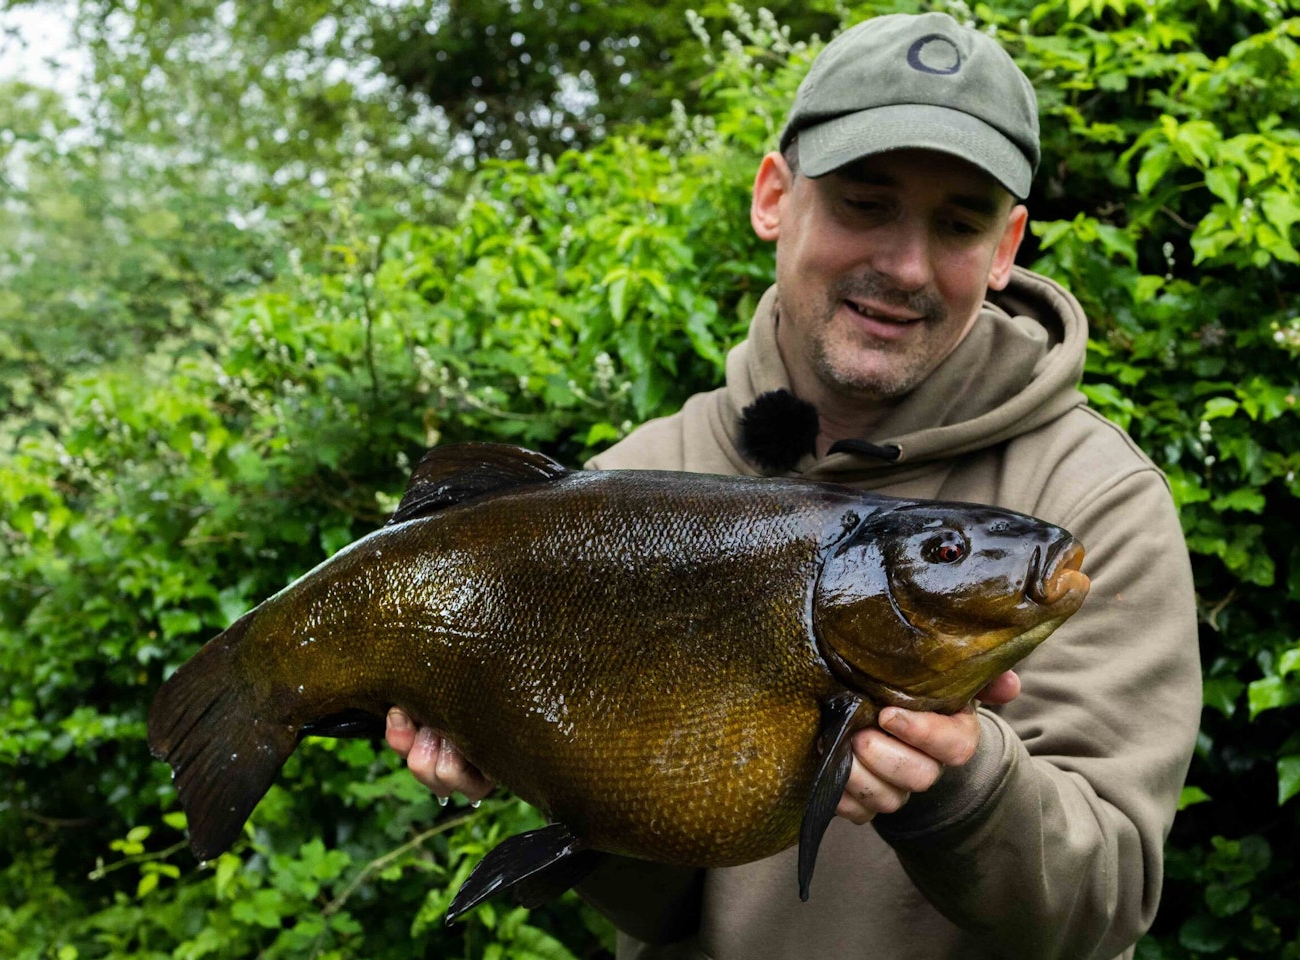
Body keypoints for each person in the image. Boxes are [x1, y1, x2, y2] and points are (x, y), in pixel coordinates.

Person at [385, 12, 1201, 960]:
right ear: (775, 196)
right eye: (865, 203)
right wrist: (524, 756)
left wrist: (966, 785)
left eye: (959, 224)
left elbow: (1103, 909)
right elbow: (658, 908)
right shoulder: (638, 480)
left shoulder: (1092, 503)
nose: (903, 266)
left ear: (1008, 243)